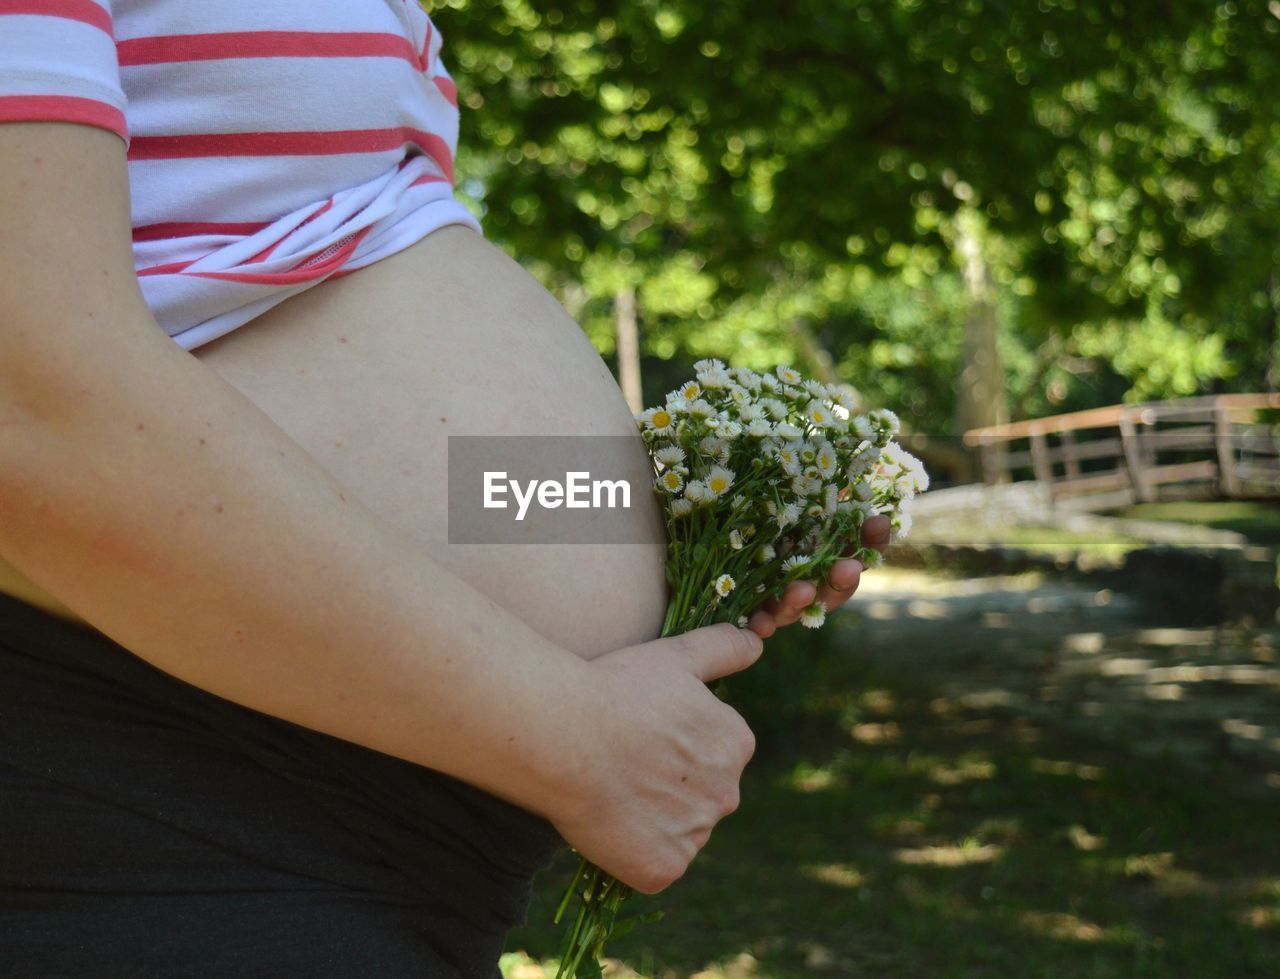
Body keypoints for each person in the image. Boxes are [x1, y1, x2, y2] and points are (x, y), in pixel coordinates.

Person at [0, 2, 889, 976]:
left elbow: (378, 435)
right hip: (171, 810)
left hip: (351, 850)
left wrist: (660, 512)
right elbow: (25, 402)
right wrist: (572, 735)